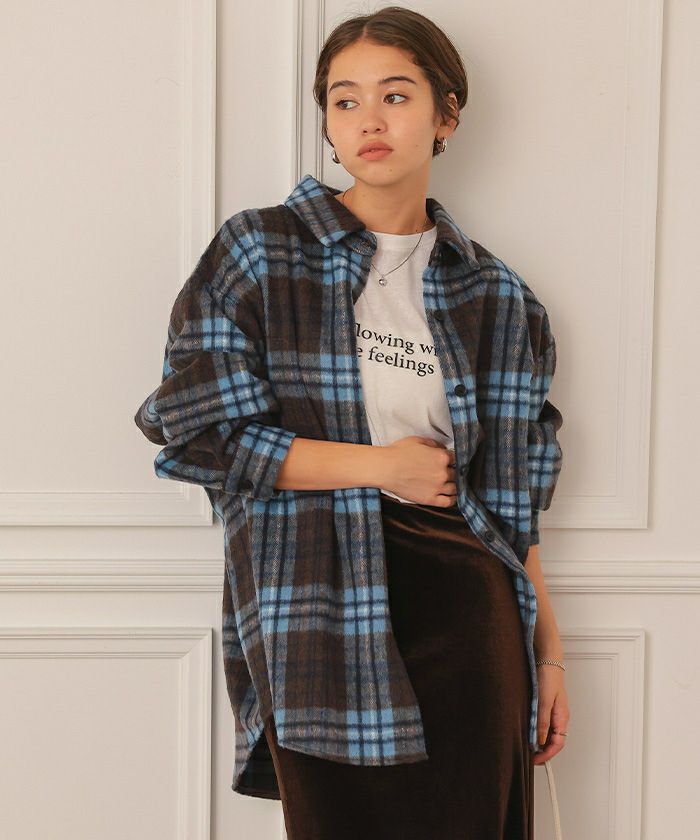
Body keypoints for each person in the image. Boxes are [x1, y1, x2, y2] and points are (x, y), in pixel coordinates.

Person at [134, 6, 569, 838]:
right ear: (328, 123)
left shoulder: (497, 297)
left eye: (396, 96)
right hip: (315, 606)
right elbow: (197, 433)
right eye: (345, 100)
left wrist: (548, 653)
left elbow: (516, 503)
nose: (369, 119)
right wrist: (379, 466)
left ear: (445, 116)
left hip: (466, 606)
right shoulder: (260, 252)